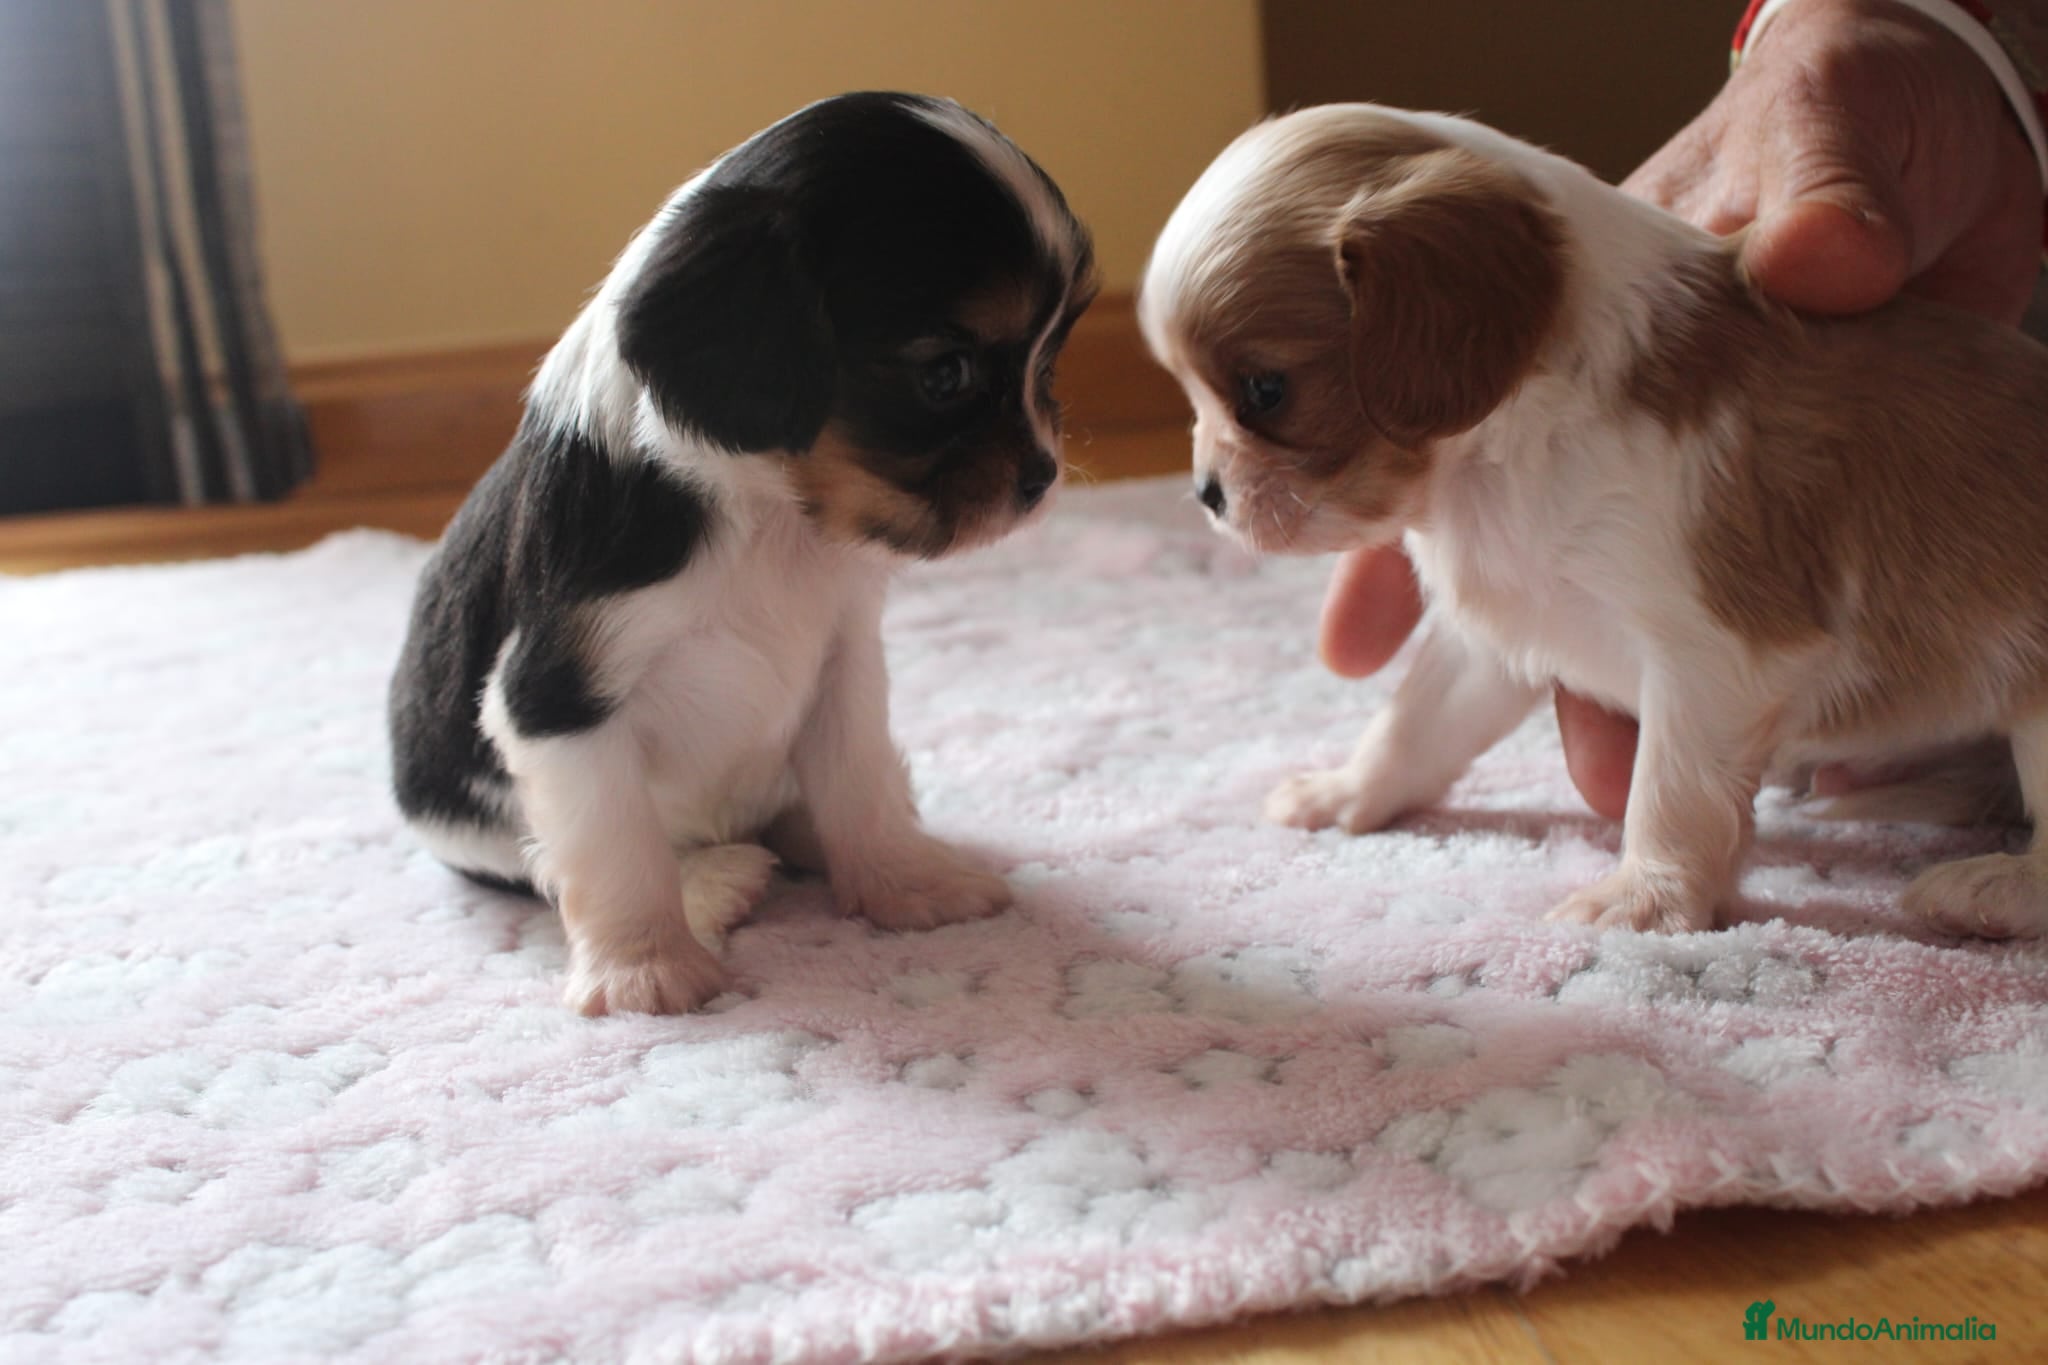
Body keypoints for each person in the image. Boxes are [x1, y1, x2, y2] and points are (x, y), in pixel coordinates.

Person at [1317, 0, 2048, 820]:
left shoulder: (1658, 434)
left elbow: (1732, 651)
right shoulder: (1490, 461)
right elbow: (1485, 644)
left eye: (1264, 394)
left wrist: (1665, 873)